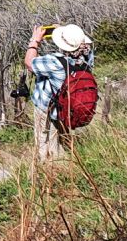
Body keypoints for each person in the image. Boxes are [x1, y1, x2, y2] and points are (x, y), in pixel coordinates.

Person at [24, 24, 94, 162]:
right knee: (62, 144)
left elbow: (29, 62)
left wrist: (35, 40)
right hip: (67, 110)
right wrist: (70, 34)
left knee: (45, 146)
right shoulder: (86, 60)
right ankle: (64, 165)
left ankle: (50, 170)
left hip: (48, 109)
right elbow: (85, 46)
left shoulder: (55, 62)